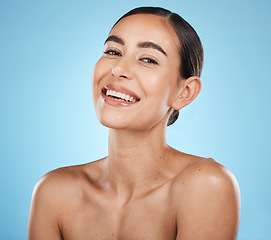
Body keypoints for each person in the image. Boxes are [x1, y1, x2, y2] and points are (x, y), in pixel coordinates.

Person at [28, 7, 240, 240]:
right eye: (113, 51)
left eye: (148, 59)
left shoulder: (206, 185)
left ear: (185, 92)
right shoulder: (53, 192)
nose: (118, 69)